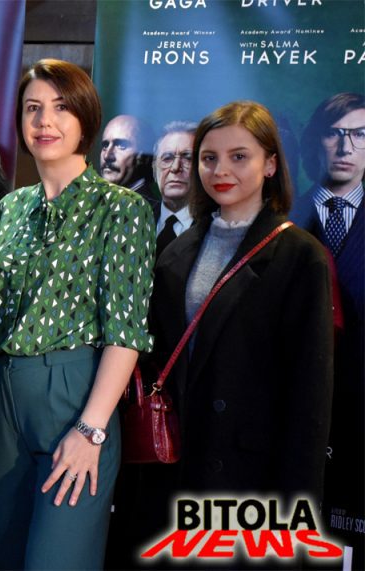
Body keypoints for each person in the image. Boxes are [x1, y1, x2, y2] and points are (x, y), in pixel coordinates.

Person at [0, 58, 156, 570]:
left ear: (85, 119)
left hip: (76, 397)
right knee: (3, 559)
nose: (45, 121)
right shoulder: (11, 208)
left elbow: (126, 332)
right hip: (3, 397)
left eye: (61, 108)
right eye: (32, 108)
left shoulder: (122, 208)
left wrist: (91, 430)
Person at [148, 101, 334, 556]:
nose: (220, 171)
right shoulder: (174, 252)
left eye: (239, 156)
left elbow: (310, 396)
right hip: (177, 463)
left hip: (252, 475)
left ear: (270, 164)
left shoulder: (300, 255)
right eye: (209, 158)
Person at [297, 92, 364, 567]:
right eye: (334, 133)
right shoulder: (279, 217)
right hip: (294, 415)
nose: (346, 146)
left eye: (359, 134)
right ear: (315, 141)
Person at [152, 121, 197, 256]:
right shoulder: (138, 218)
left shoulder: (215, 227)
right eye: (167, 158)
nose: (176, 167)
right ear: (154, 169)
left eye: (187, 158)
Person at [99, 114, 157, 205]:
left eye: (121, 145)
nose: (107, 156)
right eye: (105, 146)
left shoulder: (152, 211)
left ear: (143, 157)